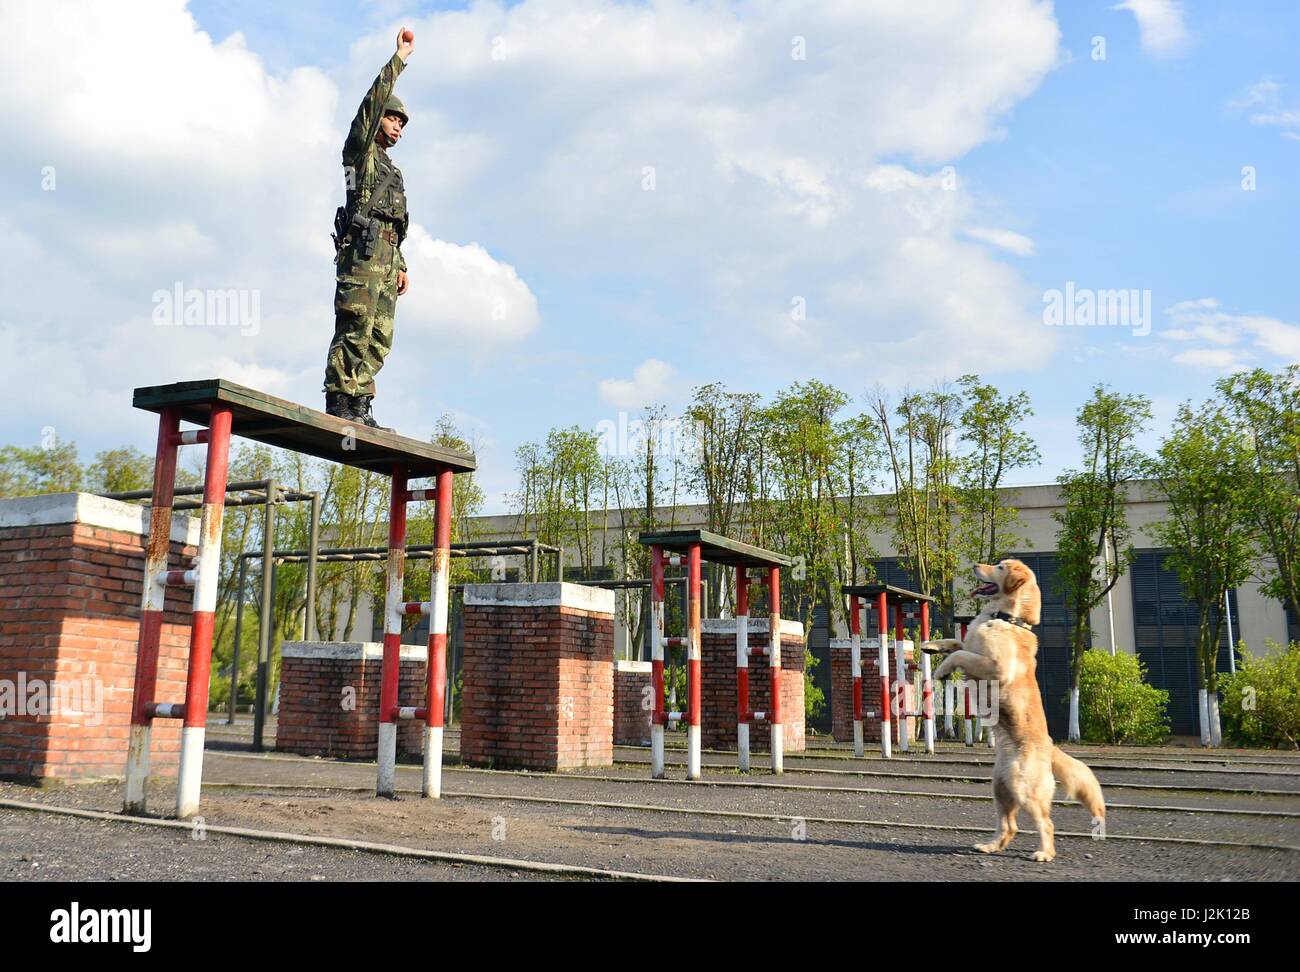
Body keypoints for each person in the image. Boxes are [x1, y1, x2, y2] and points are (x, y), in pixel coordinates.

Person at [323, 28, 415, 430]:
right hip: (361, 253)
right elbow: (370, 105)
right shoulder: (360, 154)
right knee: (355, 324)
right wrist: (399, 59)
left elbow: (396, 220)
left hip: (386, 256)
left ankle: (360, 401)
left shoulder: (393, 170)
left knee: (380, 335)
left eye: (402, 123)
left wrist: (401, 264)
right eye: (394, 119)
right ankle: (339, 398)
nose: (398, 127)